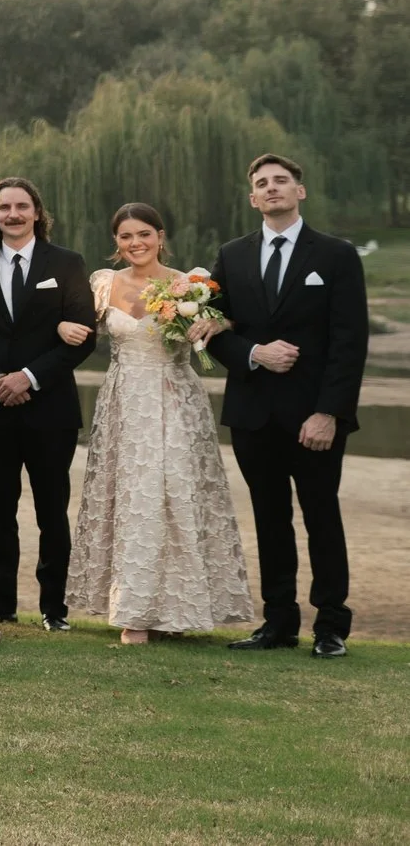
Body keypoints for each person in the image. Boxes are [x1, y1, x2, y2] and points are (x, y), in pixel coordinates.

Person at [63, 202, 252, 643]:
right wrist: (60, 329)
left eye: (144, 234)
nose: (136, 243)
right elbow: (74, 324)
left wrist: (210, 323)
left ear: (160, 236)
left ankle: (176, 610)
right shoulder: (103, 285)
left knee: (175, 496)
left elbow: (230, 317)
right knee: (131, 496)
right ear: (116, 243)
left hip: (175, 399)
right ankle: (134, 613)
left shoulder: (188, 285)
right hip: (124, 402)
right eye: (126, 236)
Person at [207, 154, 368, 658]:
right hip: (253, 414)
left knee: (322, 515)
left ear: (300, 192)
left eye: (281, 181)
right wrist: (254, 353)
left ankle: (331, 626)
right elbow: (209, 330)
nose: (272, 188)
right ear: (252, 198)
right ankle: (277, 623)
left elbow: (349, 342)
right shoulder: (231, 256)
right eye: (262, 183)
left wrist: (329, 413)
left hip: (313, 416)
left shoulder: (337, 256)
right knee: (269, 517)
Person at [0, 177, 95, 630]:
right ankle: (1, 603)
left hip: (50, 409)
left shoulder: (67, 264)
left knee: (52, 511)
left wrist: (28, 377)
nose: (12, 214)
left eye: (21, 207)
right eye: (4, 208)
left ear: (37, 213)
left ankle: (54, 609)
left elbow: (82, 336)